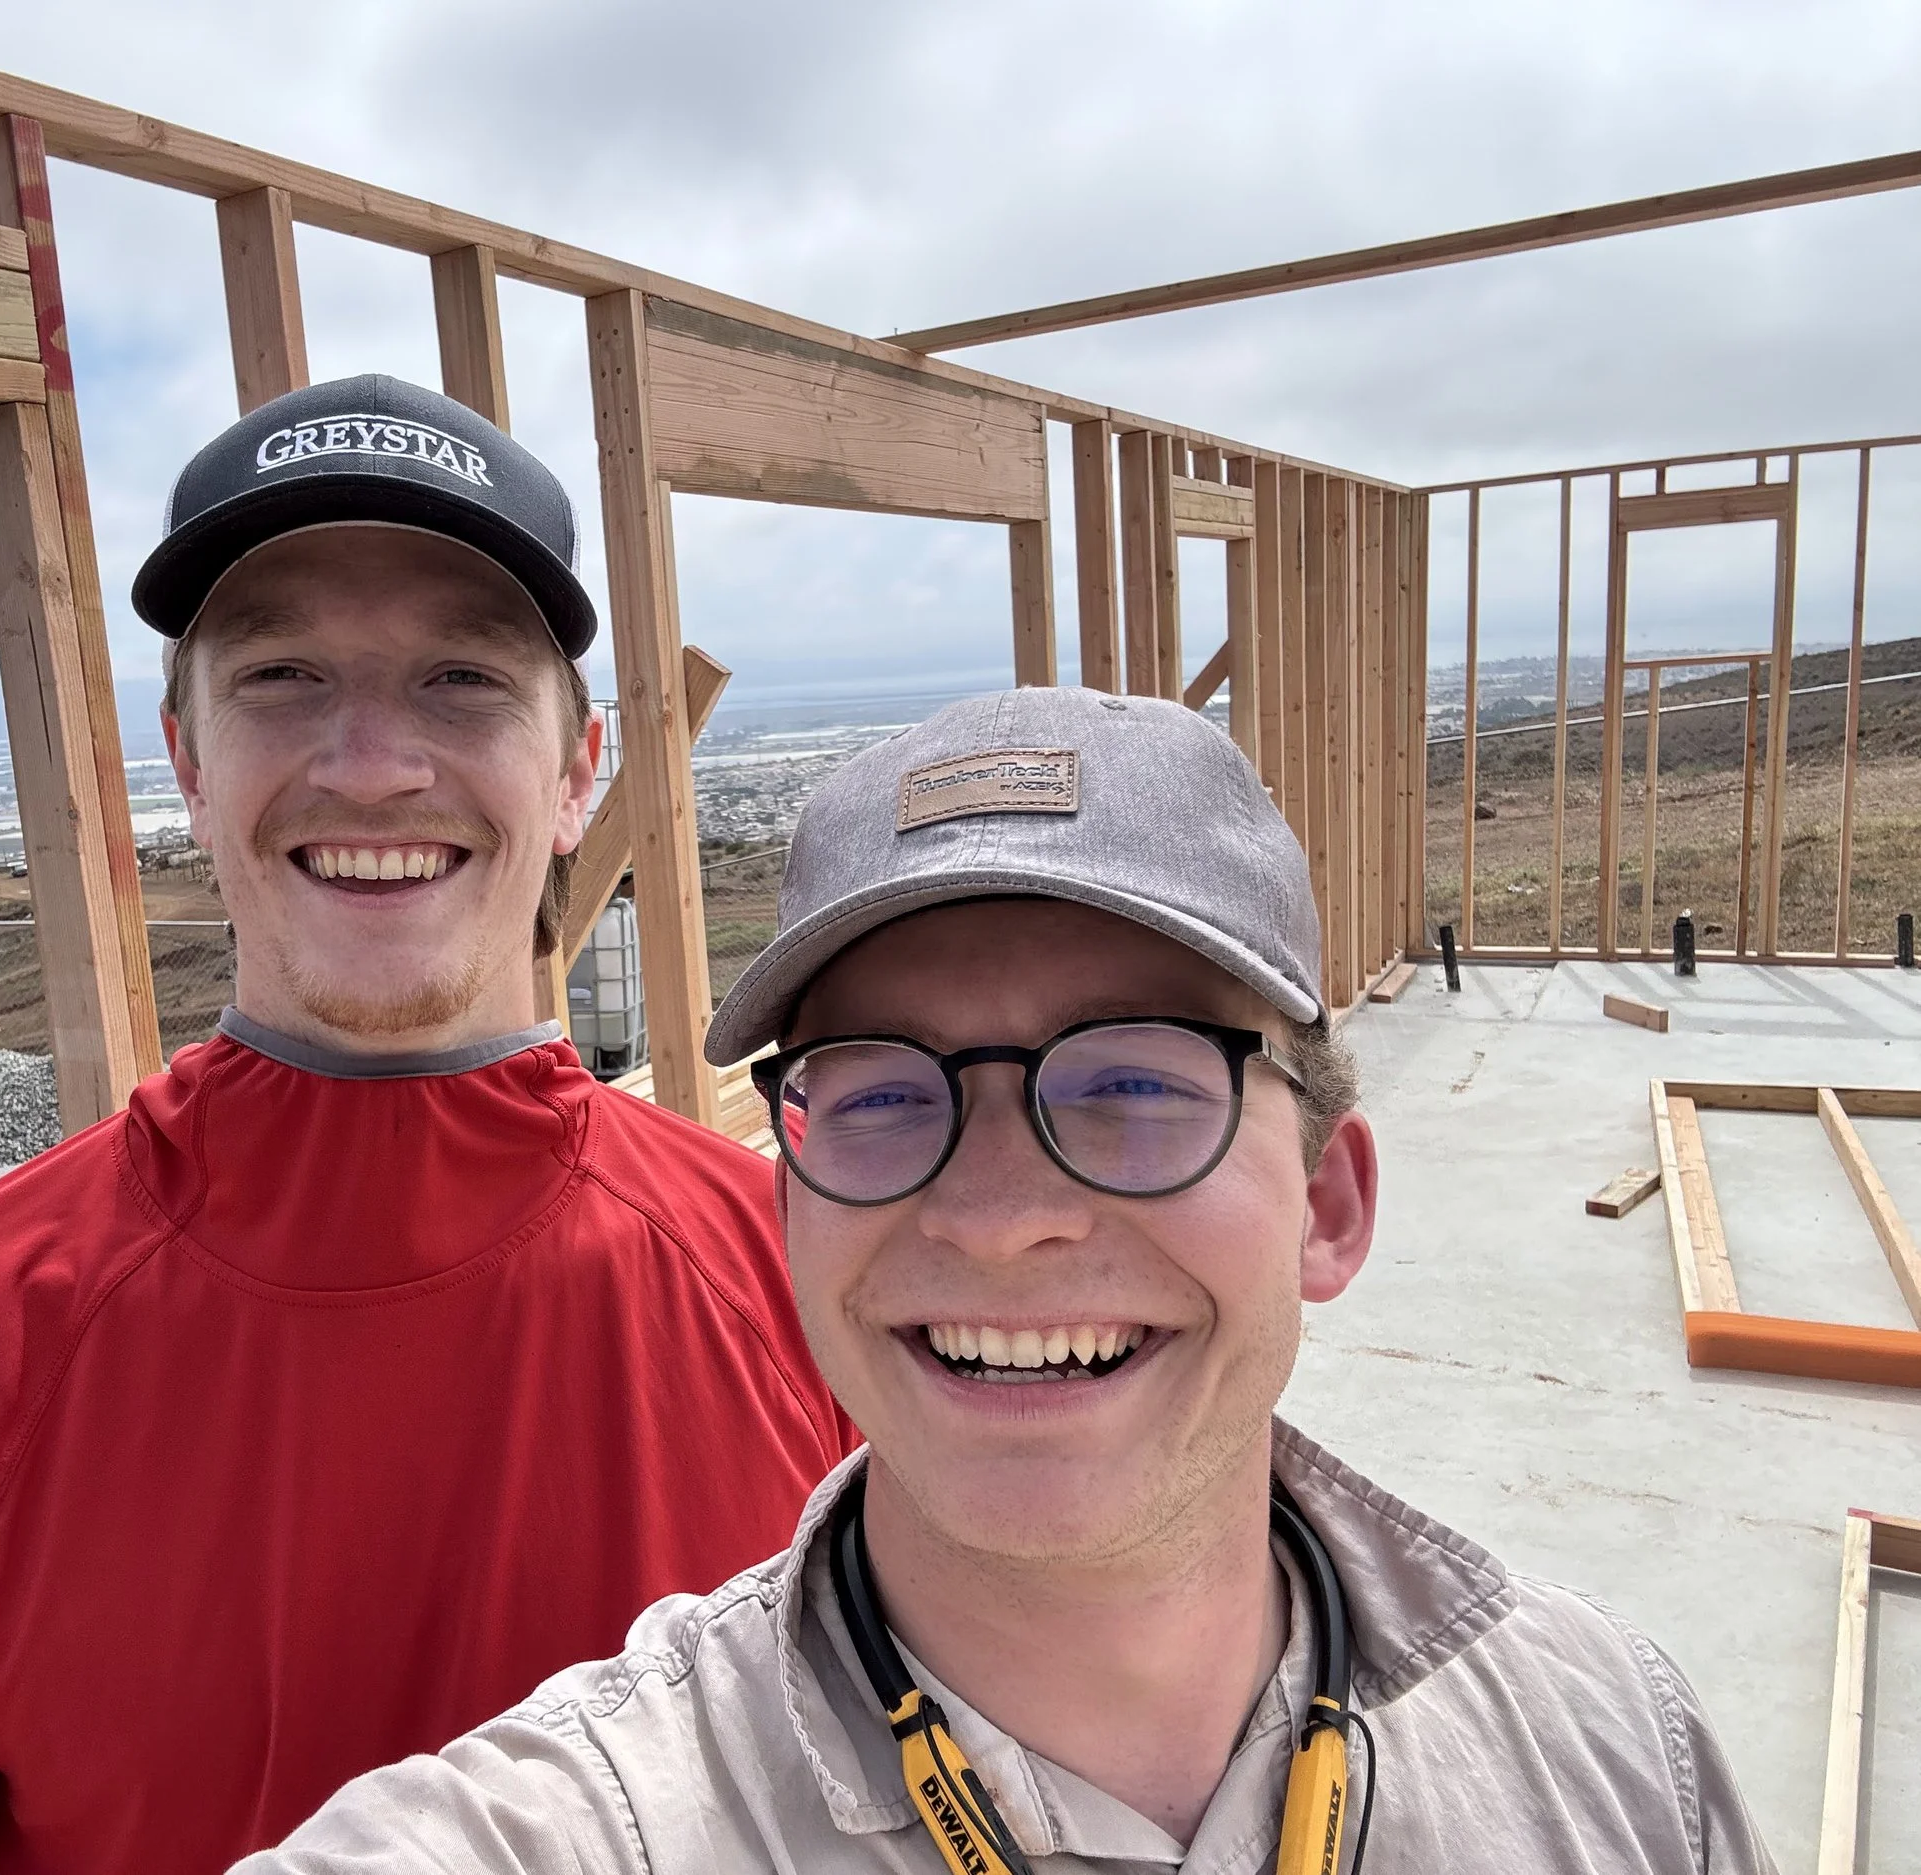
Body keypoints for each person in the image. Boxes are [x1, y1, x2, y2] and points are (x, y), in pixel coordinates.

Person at [235, 687, 1778, 1875]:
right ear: (791, 1208)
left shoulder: (1611, 1760)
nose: (995, 1217)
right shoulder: (600, 1821)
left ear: (1326, 1203)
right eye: (879, 1090)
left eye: (1135, 1083)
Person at [0, 376, 852, 1871]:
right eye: (283, 675)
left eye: (463, 677)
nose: (371, 763)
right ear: (187, 761)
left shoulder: (826, 1289)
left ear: (579, 772)